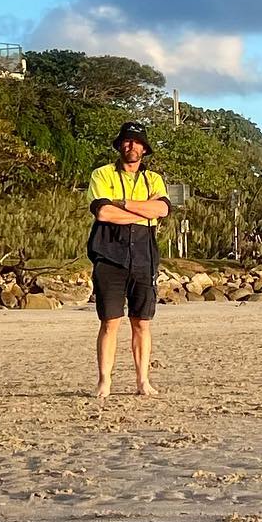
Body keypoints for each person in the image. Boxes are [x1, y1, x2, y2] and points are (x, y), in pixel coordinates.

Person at [87, 121, 170, 397]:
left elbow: (162, 209)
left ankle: (143, 381)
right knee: (110, 321)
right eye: (126, 141)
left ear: (144, 148)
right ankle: (104, 381)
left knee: (141, 321)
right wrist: (143, 213)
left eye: (136, 141)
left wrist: (122, 204)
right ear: (119, 145)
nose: (130, 145)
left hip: (144, 255)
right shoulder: (102, 174)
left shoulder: (154, 179)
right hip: (109, 254)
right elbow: (103, 213)